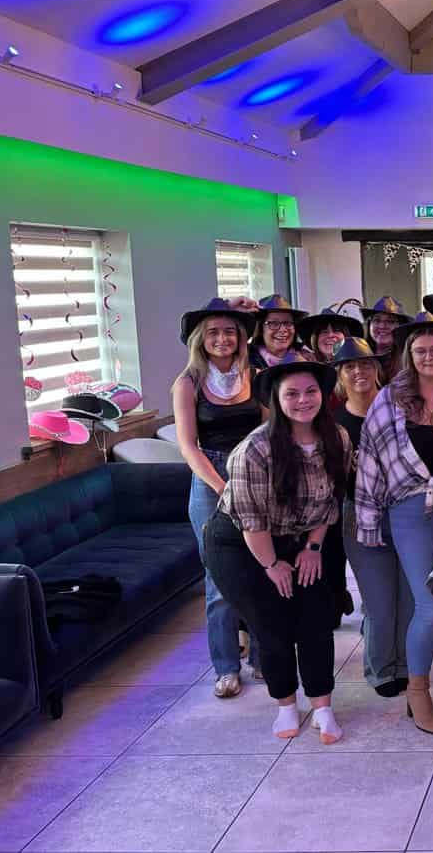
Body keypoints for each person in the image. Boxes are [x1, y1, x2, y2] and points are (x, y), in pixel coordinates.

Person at [203, 359, 350, 744]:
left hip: (301, 536)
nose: (303, 400)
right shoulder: (254, 449)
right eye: (292, 393)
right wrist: (272, 565)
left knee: (316, 619)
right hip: (240, 544)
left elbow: (332, 499)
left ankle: (322, 707)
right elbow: (253, 522)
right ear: (276, 399)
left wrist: (314, 547)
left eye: (311, 391)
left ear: (323, 395)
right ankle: (286, 704)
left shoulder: (337, 438)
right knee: (272, 625)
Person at [356, 313, 433, 733]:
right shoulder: (389, 398)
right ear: (409, 354)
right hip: (411, 509)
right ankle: (418, 690)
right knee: (431, 604)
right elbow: (369, 458)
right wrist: (368, 521)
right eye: (420, 350)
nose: (428, 357)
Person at [173, 299, 261, 698]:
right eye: (213, 332)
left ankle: (263, 657)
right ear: (200, 339)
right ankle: (226, 666)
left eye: (230, 331)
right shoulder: (188, 382)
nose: (223, 339)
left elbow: (267, 431)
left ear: (241, 337)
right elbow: (188, 446)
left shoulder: (255, 375)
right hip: (209, 480)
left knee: (264, 566)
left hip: (255, 473)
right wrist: (222, 487)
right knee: (219, 576)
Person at [330, 337, 410, 699]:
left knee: (409, 596)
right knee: (378, 600)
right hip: (357, 513)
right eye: (349, 367)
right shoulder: (332, 421)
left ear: (376, 368)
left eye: (364, 364)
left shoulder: (399, 408)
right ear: (339, 375)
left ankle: (406, 663)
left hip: (405, 509)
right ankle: (381, 668)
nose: (358, 372)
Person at [248, 294, 309, 370]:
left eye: (287, 323)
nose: (283, 329)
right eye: (274, 323)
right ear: (260, 328)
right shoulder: (245, 359)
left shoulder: (307, 357)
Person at [361, 295, 411, 378]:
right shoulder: (359, 356)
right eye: (377, 320)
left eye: (390, 321)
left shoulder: (409, 359)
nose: (382, 326)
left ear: (401, 327)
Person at [297, 304, 364, 362]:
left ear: (346, 336)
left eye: (337, 330)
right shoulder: (308, 369)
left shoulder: (359, 365)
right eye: (324, 332)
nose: (330, 335)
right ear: (315, 339)